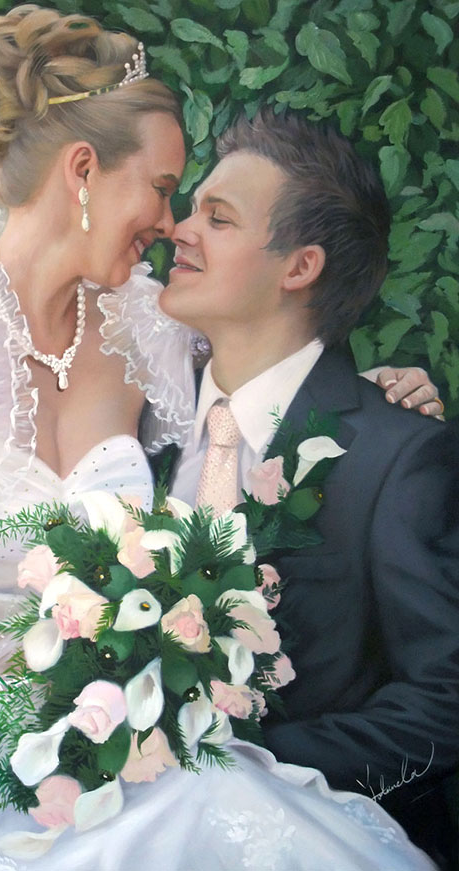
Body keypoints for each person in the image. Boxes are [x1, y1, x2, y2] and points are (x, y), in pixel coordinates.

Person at [0, 5, 443, 869]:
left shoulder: (149, 328)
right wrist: (58, 664)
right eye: (165, 188)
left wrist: (379, 391)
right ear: (83, 172)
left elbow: (270, 377)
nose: (172, 225)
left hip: (129, 737)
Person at [164, 107, 459, 869]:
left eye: (217, 218)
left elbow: (445, 701)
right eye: (192, 208)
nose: (178, 230)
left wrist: (241, 766)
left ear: (299, 267)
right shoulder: (136, 426)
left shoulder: (396, 454)